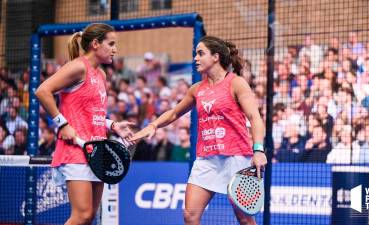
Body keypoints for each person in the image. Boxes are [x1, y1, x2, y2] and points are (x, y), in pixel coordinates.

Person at [129, 36, 267, 225]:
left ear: (216, 57)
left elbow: (255, 117)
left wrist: (258, 150)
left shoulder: (236, 83)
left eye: (201, 53)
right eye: (196, 54)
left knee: (244, 219)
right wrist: (152, 126)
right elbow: (174, 113)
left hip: (236, 158)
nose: (196, 58)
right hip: (206, 160)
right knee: (190, 216)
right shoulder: (196, 89)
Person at [35, 23, 134, 225]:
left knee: (89, 217)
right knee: (80, 216)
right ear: (96, 44)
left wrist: (113, 125)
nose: (115, 49)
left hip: (98, 151)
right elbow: (42, 91)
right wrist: (62, 124)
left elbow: (91, 114)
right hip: (76, 152)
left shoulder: (102, 75)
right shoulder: (78, 66)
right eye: (111, 43)